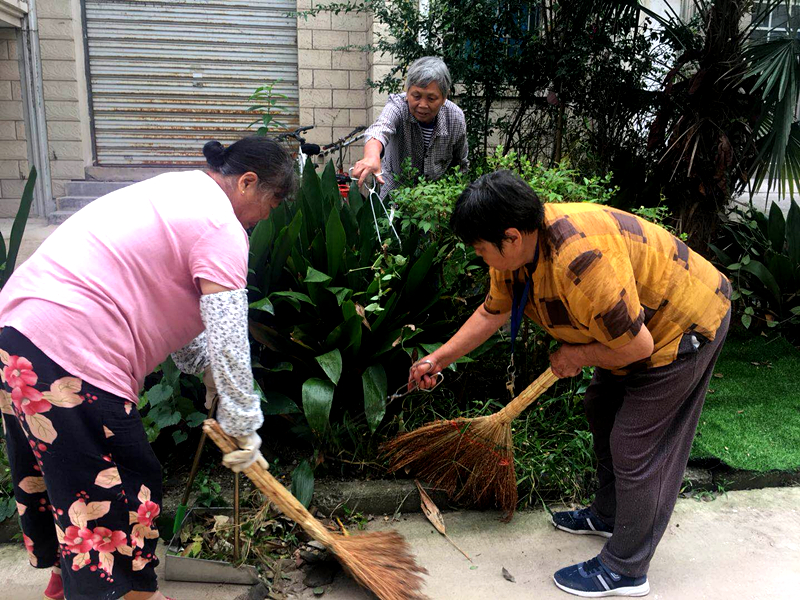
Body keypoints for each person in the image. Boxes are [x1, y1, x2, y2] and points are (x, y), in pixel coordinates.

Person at [409, 170, 731, 597]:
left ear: (510, 237)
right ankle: (610, 515)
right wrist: (437, 358)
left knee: (636, 445)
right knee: (600, 407)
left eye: (480, 248)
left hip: (683, 324)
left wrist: (577, 355)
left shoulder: (580, 261)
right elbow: (492, 312)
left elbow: (638, 347)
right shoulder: (518, 253)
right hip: (636, 329)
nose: (478, 256)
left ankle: (627, 570)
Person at [0, 136, 295, 600]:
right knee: (122, 485)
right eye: (274, 201)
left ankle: (67, 581)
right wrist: (244, 423)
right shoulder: (221, 226)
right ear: (248, 182)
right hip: (72, 351)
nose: (268, 214)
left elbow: (186, 321)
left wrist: (211, 379)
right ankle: (129, 594)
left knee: (66, 476)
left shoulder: (177, 190)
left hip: (19, 340)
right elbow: (228, 334)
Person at [351, 56, 469, 199]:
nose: (423, 105)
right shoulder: (398, 107)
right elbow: (380, 128)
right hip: (394, 195)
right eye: (416, 96)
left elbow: (460, 165)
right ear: (407, 92)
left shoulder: (455, 118)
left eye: (431, 99)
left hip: (435, 200)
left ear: (444, 97)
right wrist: (371, 156)